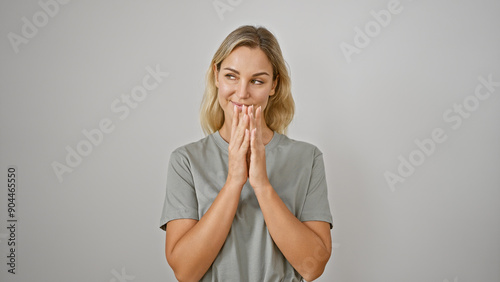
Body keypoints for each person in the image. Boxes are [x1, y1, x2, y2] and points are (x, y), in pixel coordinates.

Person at [159, 25, 333, 282]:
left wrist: (261, 184)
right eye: (231, 76)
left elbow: (313, 267)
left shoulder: (307, 159)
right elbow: (185, 272)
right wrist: (234, 182)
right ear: (216, 75)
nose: (242, 93)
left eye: (257, 81)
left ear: (274, 85)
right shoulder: (186, 161)